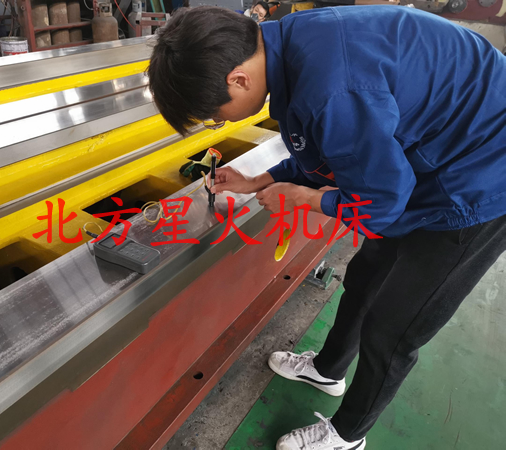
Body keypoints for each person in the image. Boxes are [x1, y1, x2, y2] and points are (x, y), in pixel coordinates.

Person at [147, 5, 506, 450]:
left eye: (217, 115)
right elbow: (328, 148)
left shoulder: (332, 87)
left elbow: (381, 201)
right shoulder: (289, 46)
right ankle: (328, 370)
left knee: (394, 327)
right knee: (364, 278)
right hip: (434, 157)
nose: (222, 122)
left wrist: (306, 198)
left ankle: (349, 435)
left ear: (237, 79)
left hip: (481, 178)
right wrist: (262, 179)